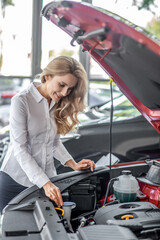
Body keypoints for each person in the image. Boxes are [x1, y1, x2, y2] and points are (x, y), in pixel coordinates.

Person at [0, 56, 95, 213]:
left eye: (70, 88)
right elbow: (20, 149)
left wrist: (74, 164)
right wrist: (45, 183)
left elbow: (54, 142)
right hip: (16, 181)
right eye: (62, 85)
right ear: (47, 76)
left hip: (46, 180)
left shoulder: (56, 102)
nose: (65, 92)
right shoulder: (21, 101)